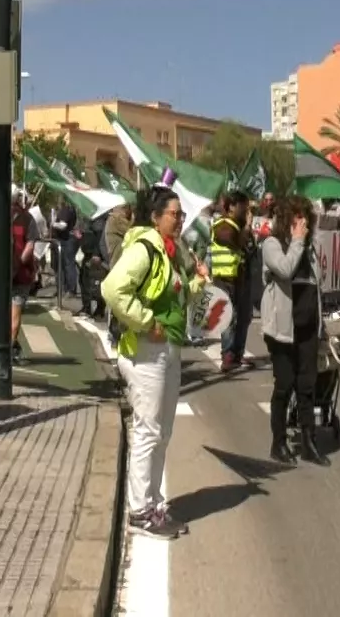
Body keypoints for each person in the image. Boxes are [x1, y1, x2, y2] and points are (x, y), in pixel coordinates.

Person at [103, 186, 201, 540]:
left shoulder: (168, 252)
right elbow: (113, 289)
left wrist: (197, 283)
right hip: (145, 352)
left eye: (181, 215)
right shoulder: (144, 248)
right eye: (175, 214)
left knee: (162, 432)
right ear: (156, 216)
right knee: (148, 431)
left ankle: (153, 504)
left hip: (167, 351)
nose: (179, 221)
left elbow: (177, 294)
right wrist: (147, 321)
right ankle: (140, 511)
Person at [261, 196, 328, 465]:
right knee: (285, 384)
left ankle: (309, 441)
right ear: (287, 220)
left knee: (307, 385)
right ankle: (278, 442)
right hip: (282, 327)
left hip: (307, 324)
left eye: (306, 219)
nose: (303, 224)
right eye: (297, 219)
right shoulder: (271, 244)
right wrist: (298, 241)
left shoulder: (308, 248)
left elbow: (316, 284)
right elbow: (285, 270)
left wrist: (322, 325)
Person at [208, 191, 254, 372]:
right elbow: (233, 240)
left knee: (244, 316)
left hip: (240, 278)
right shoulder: (223, 224)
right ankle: (227, 355)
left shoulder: (239, 225)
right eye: (243, 206)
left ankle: (237, 354)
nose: (246, 210)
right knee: (229, 317)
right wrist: (247, 227)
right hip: (224, 278)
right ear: (232, 207)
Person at [10, 189, 39, 365]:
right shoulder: (27, 218)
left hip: (12, 273)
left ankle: (10, 348)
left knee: (9, 314)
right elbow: (30, 243)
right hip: (19, 272)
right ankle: (11, 348)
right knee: (14, 314)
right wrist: (20, 261)